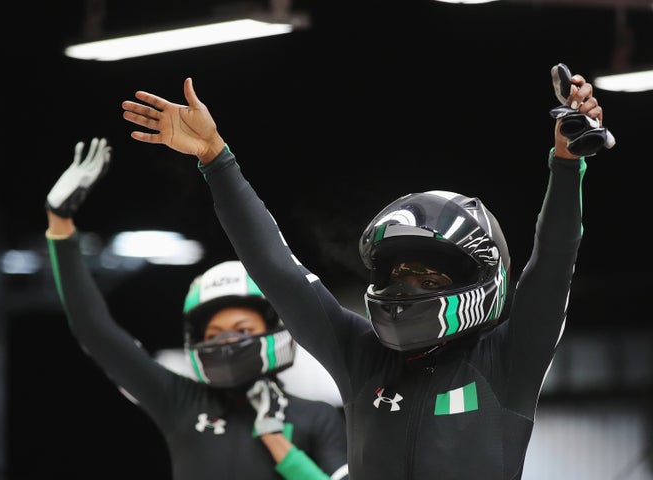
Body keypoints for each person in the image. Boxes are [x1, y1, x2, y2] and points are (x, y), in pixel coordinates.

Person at [120, 65, 610, 479]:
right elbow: (275, 268)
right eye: (398, 273)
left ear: (478, 279)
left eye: (427, 278)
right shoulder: (361, 358)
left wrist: (567, 165)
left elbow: (554, 262)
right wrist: (215, 159)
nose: (406, 288)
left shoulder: (509, 360)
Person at [44, 138, 349, 480]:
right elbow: (95, 330)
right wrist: (60, 224)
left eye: (243, 330)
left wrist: (277, 442)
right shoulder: (180, 402)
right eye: (215, 334)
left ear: (273, 330)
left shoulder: (316, 416)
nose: (228, 341)